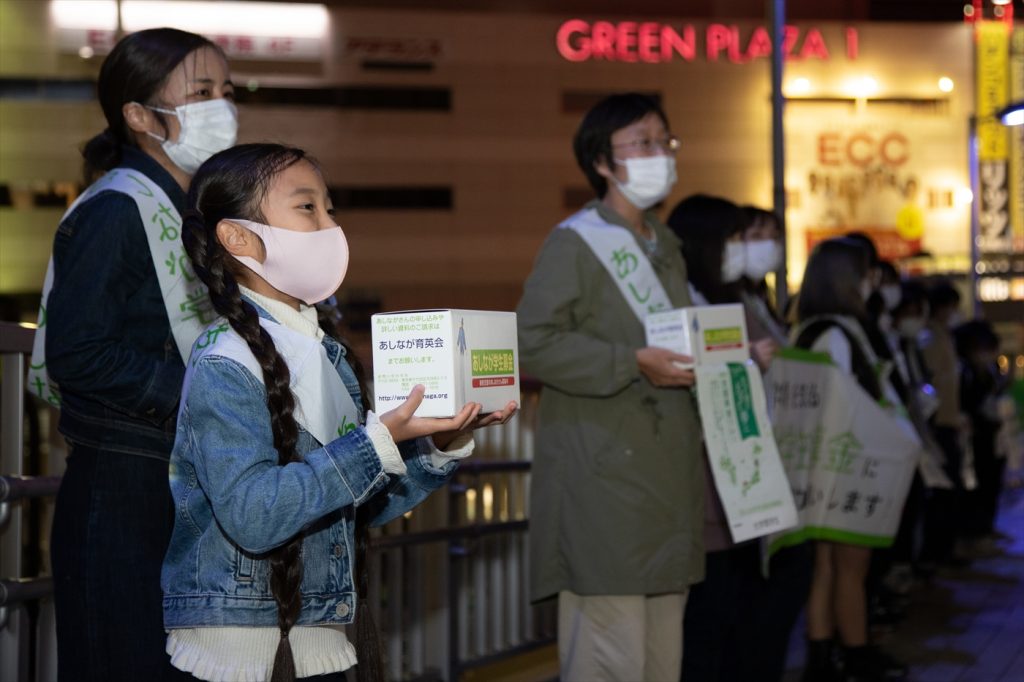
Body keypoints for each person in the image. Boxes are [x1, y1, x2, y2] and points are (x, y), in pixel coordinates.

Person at [162, 143, 517, 681]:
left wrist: (435, 447)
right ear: (237, 237)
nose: (331, 227)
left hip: (318, 631)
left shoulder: (324, 352)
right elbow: (254, 516)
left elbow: (357, 508)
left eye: (331, 208)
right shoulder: (225, 361)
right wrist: (373, 445)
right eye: (308, 208)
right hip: (242, 648)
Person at [32, 28, 238, 680]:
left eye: (227, 91)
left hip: (182, 481)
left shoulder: (194, 212)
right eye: (201, 92)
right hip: (124, 485)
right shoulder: (118, 209)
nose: (223, 106)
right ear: (140, 116)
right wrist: (198, 392)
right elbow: (79, 352)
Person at [516, 93, 704, 682]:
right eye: (642, 143)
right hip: (603, 481)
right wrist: (631, 361)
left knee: (659, 661)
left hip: (665, 482)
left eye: (664, 142)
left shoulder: (664, 246)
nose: (659, 155)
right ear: (602, 162)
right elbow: (532, 340)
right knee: (609, 657)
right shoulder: (576, 241)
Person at [665, 194, 778, 682]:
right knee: (705, 629)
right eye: (734, 238)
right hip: (705, 493)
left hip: (738, 489)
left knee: (731, 621)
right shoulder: (677, 302)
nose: (739, 250)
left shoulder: (728, 299)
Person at [792, 238, 908, 682]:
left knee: (825, 567)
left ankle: (821, 657)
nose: (871, 281)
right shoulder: (839, 333)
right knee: (851, 569)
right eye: (865, 272)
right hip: (848, 464)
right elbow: (846, 404)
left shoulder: (807, 328)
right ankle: (855, 654)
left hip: (818, 465)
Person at [919, 280, 967, 569]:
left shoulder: (943, 335)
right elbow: (931, 382)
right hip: (937, 423)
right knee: (943, 492)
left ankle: (944, 550)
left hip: (948, 420)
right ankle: (936, 553)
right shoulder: (929, 337)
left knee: (949, 491)